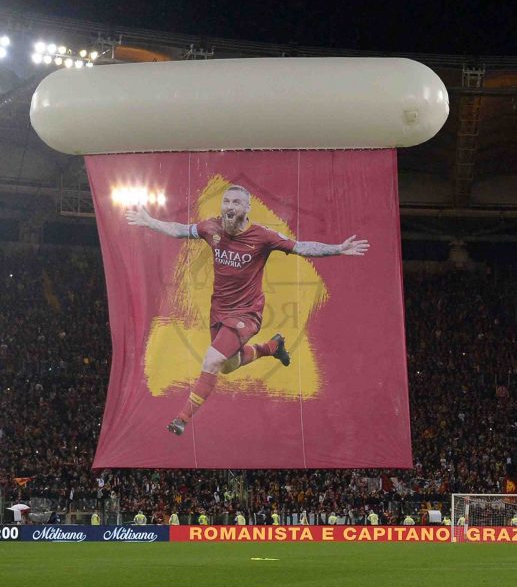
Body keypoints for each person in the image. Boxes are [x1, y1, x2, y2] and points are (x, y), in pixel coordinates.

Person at [125, 184, 370, 435]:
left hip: (247, 313)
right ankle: (272, 347)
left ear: (247, 208)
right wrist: (150, 221)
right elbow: (180, 230)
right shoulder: (211, 228)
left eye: (236, 202)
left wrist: (338, 249)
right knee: (228, 366)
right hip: (219, 311)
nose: (229, 206)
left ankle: (181, 419)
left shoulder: (263, 236)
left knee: (212, 360)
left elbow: (301, 247)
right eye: (226, 201)